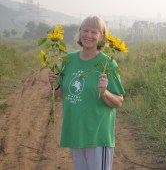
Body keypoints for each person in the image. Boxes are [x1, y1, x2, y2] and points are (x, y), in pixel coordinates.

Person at [48, 16, 125, 170]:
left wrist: (104, 93)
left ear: (102, 37)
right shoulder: (68, 60)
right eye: (85, 30)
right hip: (76, 133)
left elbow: (118, 101)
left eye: (94, 32)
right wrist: (55, 85)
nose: (88, 35)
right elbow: (61, 95)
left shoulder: (107, 63)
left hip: (97, 135)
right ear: (80, 33)